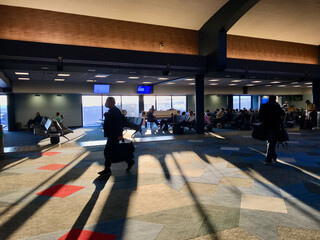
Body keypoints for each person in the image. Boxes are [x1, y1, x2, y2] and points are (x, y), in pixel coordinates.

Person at [98, 97, 135, 176]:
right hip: (111, 135)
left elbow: (118, 124)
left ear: (111, 102)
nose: (106, 103)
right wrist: (106, 116)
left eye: (107, 101)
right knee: (112, 152)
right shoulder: (112, 111)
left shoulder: (115, 111)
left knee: (108, 152)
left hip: (114, 136)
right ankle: (129, 161)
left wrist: (119, 135)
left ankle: (107, 169)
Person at [259, 95, 285, 165]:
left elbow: (260, 116)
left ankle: (274, 156)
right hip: (274, 126)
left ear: (269, 99)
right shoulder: (276, 106)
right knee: (272, 143)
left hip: (265, 126)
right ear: (275, 99)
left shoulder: (263, 106)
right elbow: (283, 113)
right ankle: (268, 159)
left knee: (270, 142)